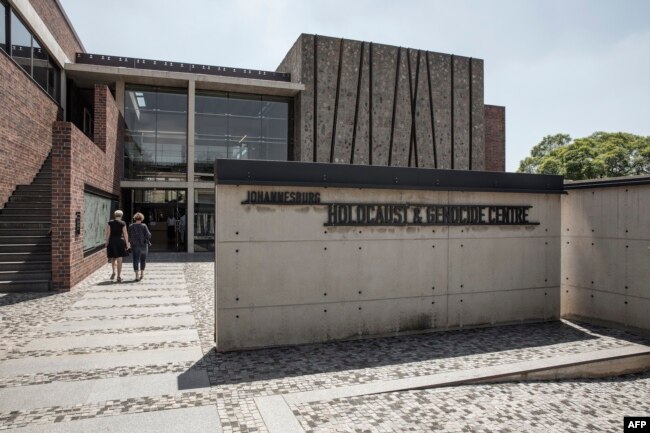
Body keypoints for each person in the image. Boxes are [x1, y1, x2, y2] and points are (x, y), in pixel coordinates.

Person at [105, 210, 130, 283]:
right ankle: (119, 276)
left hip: (112, 241)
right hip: (120, 241)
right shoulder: (123, 223)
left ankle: (113, 272)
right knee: (120, 259)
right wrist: (127, 244)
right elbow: (125, 234)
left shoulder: (110, 222)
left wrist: (106, 242)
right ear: (121, 216)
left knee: (113, 257)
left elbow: (108, 233)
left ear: (114, 215)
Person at [128, 212, 151, 281]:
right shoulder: (144, 226)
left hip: (135, 245)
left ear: (135, 218)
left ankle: (136, 275)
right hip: (143, 245)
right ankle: (142, 273)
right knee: (143, 259)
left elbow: (129, 236)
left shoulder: (131, 226)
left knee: (135, 259)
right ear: (142, 218)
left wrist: (130, 243)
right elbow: (148, 235)